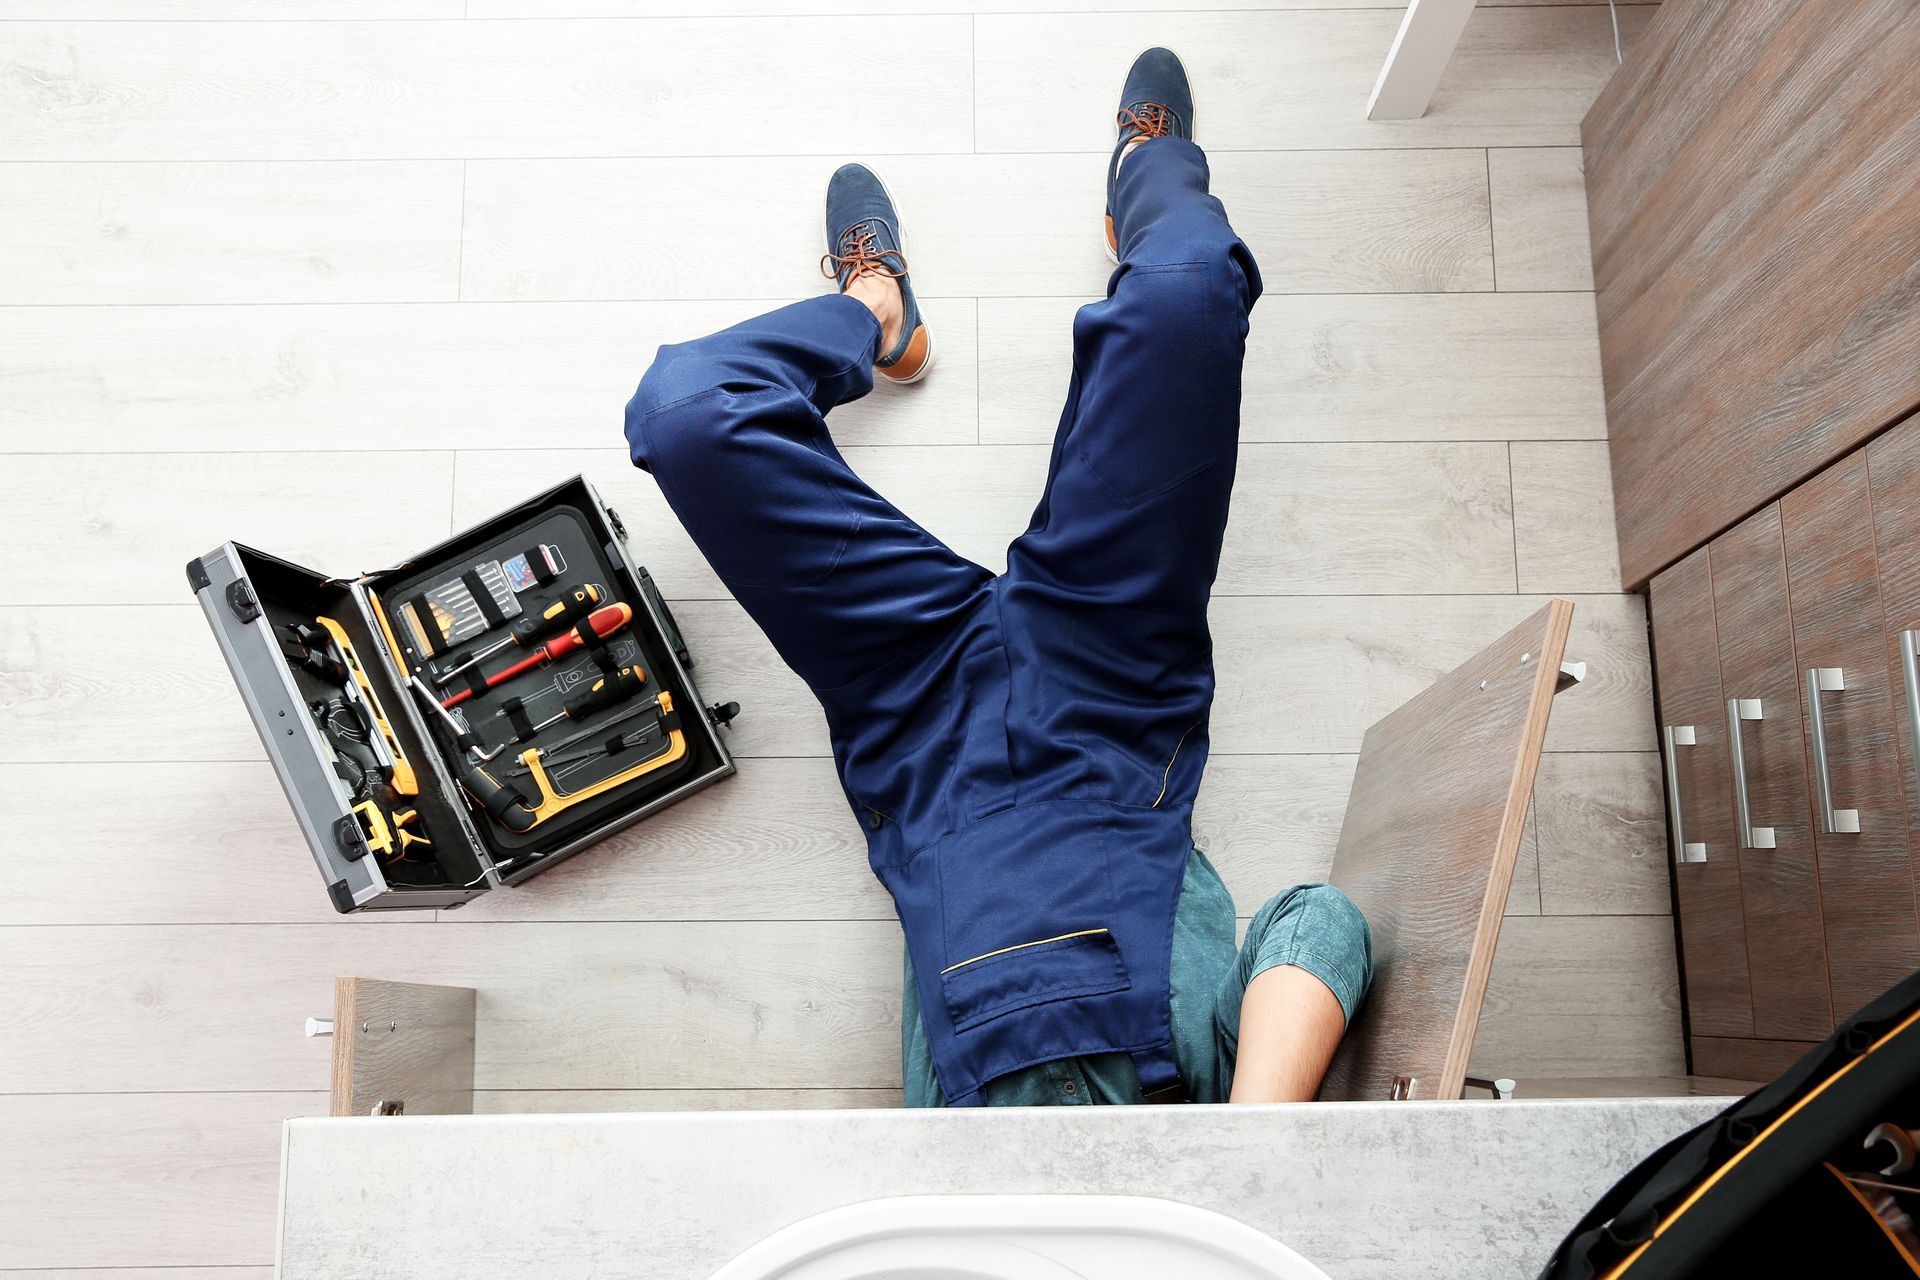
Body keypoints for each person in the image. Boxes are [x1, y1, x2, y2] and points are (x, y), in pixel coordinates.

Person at [625, 49, 1372, 1107]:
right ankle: (1146, 173)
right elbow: (1321, 920)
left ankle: (879, 309)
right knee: (1188, 292)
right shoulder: (1219, 1122)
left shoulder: (952, 1173)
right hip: (1109, 690)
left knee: (685, 412)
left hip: (918, 721)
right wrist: (1247, 1148)